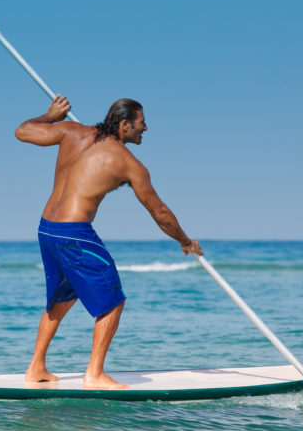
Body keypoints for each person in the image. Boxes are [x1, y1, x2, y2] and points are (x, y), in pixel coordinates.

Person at [15, 95, 203, 389]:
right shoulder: (129, 163)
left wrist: (50, 116)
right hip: (75, 233)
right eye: (142, 123)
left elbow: (23, 130)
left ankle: (36, 367)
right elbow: (160, 212)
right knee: (113, 300)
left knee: (61, 299)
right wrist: (184, 240)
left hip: (47, 228)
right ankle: (95, 374)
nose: (146, 129)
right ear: (125, 124)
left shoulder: (71, 132)